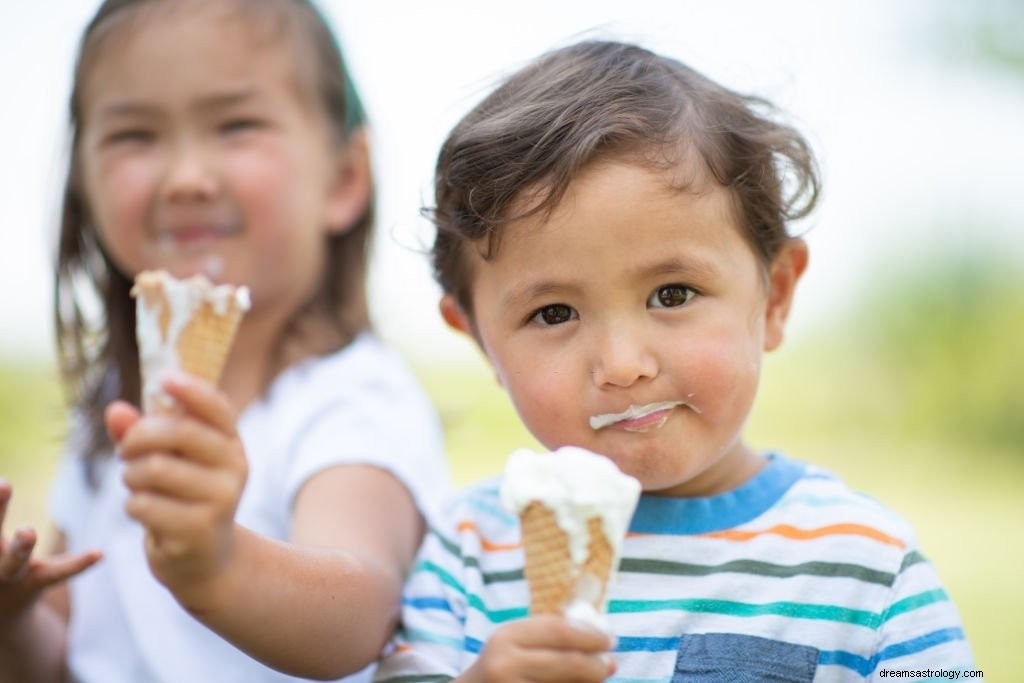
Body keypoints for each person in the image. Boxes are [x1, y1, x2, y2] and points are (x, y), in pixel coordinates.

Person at [373, 40, 974, 682]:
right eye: (553, 313)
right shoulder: (465, 553)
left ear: (775, 297)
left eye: (673, 294)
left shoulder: (866, 569)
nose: (622, 365)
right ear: (477, 340)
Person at [0, 1, 450, 681]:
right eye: (134, 136)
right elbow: (63, 655)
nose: (186, 177)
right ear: (83, 182)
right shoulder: (117, 403)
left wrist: (218, 564)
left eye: (236, 126)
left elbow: (360, 609)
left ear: (344, 178)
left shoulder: (350, 398)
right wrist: (14, 616)